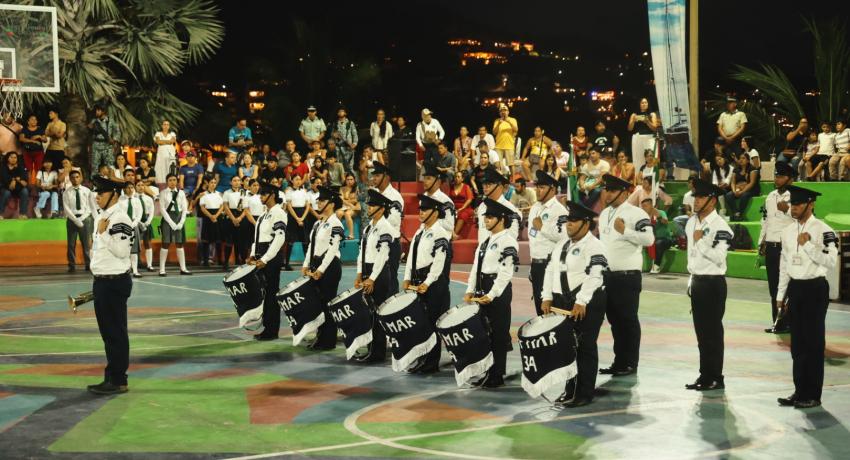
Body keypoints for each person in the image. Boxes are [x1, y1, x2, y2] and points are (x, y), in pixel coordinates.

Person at [775, 185, 838, 409]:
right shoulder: (787, 231)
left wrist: (809, 245)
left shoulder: (825, 230)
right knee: (797, 344)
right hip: (796, 288)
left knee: (813, 343)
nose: (794, 208)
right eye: (792, 204)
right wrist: (781, 294)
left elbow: (831, 262)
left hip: (814, 289)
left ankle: (813, 394)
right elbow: (784, 264)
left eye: (799, 204)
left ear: (811, 204)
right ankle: (799, 390)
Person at [541, 200, 608, 407]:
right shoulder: (561, 244)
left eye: (574, 220)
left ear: (586, 224)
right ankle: (570, 389)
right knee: (567, 349)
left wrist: (581, 301)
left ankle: (584, 393)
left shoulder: (595, 245)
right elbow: (550, 271)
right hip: (562, 302)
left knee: (585, 347)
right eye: (568, 220)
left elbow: (596, 275)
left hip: (587, 302)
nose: (568, 224)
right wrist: (547, 297)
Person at [597, 174, 654, 376]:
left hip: (627, 276)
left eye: (612, 190)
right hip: (607, 275)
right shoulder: (604, 214)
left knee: (627, 320)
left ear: (624, 192)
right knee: (614, 321)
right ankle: (619, 361)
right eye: (607, 190)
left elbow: (648, 239)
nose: (608, 193)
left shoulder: (636, 213)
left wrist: (625, 231)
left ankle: (630, 362)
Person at [85, 176, 135, 395]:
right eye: (96, 193)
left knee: (115, 333)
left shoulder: (119, 218)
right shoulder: (105, 216)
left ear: (114, 194)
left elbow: (122, 251)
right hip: (103, 281)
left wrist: (103, 234)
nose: (97, 197)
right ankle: (112, 376)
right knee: (109, 334)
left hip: (114, 283)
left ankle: (118, 379)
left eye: (101, 193)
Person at [684, 178, 733, 391]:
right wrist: (690, 281)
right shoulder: (691, 222)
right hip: (698, 281)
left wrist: (701, 241)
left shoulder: (720, 226)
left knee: (712, 333)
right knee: (701, 334)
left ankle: (716, 376)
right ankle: (705, 375)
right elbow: (691, 257)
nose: (696, 201)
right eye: (696, 196)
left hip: (713, 282)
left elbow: (719, 257)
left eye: (701, 197)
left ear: (712, 201)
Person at [464, 198, 519, 388]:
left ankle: (497, 374)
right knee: (484, 334)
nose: (486, 220)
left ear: (502, 219)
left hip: (498, 290)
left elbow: (505, 272)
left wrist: (492, 294)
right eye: (485, 217)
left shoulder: (508, 241)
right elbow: (475, 268)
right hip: (482, 287)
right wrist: (469, 290)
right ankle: (487, 372)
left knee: (498, 334)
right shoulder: (485, 242)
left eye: (490, 217)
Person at [403, 194, 452, 373]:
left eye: (425, 210)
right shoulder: (420, 231)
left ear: (435, 212)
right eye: (420, 209)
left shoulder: (440, 233)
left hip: (433, 285)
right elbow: (411, 257)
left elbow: (439, 263)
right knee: (421, 324)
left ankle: (431, 362)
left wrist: (428, 282)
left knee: (431, 325)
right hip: (418, 280)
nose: (421, 213)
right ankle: (422, 358)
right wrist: (407, 277)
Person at [354, 189, 397, 362]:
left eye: (372, 205)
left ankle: (377, 352)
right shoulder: (369, 227)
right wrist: (359, 273)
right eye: (369, 205)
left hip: (378, 273)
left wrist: (372, 278)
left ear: (381, 208)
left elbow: (383, 255)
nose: (369, 207)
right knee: (368, 314)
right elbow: (361, 252)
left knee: (376, 313)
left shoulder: (385, 228)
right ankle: (372, 349)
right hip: (367, 270)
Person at [301, 186, 345, 350]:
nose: (318, 202)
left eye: (322, 200)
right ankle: (320, 337)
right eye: (318, 200)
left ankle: (328, 340)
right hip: (317, 264)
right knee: (318, 304)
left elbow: (333, 250)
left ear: (331, 204)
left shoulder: (335, 223)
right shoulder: (319, 223)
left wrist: (321, 269)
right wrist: (306, 265)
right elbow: (312, 245)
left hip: (330, 267)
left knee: (327, 304)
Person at [759, 161, 796, 334]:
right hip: (772, 246)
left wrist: (788, 210)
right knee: (774, 286)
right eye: (776, 176)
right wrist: (762, 241)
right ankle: (777, 322)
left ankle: (788, 322)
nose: (777, 179)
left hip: (787, 248)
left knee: (788, 286)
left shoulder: (795, 197)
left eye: (780, 176)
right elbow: (765, 221)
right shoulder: (770, 196)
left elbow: (804, 219)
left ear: (789, 179)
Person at [248, 182, 288, 341]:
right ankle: (267, 327)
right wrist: (252, 254)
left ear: (272, 195)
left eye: (264, 194)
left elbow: (279, 239)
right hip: (261, 255)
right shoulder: (264, 214)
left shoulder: (278, 212)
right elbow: (257, 238)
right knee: (265, 294)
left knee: (271, 294)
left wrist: (264, 259)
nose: (260, 196)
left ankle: (272, 330)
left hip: (271, 257)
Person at [527, 171, 568, 316]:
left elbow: (564, 236)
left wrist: (542, 227)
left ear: (552, 189)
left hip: (550, 264)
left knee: (551, 306)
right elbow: (533, 239)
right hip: (536, 264)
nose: (538, 190)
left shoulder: (559, 210)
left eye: (542, 187)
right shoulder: (534, 208)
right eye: (537, 187)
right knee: (539, 306)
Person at [370, 162, 404, 292]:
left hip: (390, 243)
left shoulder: (395, 196)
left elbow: (394, 221)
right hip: (376, 241)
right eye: (374, 176)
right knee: (377, 280)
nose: (374, 178)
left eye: (377, 175)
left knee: (390, 281)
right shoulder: (374, 194)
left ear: (386, 177)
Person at [158, 173, 191, 276]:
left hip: (179, 217)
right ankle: (162, 269)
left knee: (179, 243)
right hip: (168, 219)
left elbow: (184, 208)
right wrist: (171, 223)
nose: (172, 182)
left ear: (177, 181)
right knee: (166, 243)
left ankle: (183, 268)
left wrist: (181, 222)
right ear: (167, 182)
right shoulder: (163, 193)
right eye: (170, 180)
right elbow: (162, 210)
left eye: (174, 180)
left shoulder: (181, 193)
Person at [476, 167, 521, 240]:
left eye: (489, 184)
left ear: (499, 186)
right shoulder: (482, 206)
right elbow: (481, 233)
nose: (485, 187)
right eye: (484, 184)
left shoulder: (509, 208)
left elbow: (512, 236)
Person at [64, 170, 93, 272]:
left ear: (80, 178)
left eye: (77, 177)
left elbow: (90, 207)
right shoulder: (66, 192)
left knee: (86, 243)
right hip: (72, 219)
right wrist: (75, 219)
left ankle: (88, 264)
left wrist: (81, 218)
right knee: (71, 244)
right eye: (73, 177)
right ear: (70, 179)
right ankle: (71, 265)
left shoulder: (87, 191)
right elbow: (66, 208)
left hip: (85, 219)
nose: (75, 179)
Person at [283, 174, 311, 271]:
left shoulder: (304, 191)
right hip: (292, 216)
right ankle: (286, 264)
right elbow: (289, 206)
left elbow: (308, 205)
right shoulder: (288, 191)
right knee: (290, 241)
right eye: (296, 179)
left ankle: (308, 264)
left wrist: (302, 218)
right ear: (292, 180)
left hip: (303, 214)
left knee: (305, 241)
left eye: (300, 179)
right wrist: (297, 218)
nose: (298, 181)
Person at [422, 163, 456, 240]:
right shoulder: (423, 197)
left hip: (440, 241)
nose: (424, 181)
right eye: (424, 178)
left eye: (428, 178)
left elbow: (449, 225)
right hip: (425, 238)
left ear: (438, 181)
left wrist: (432, 220)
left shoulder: (446, 201)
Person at [725, 151, 759, 222]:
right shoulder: (736, 169)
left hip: (751, 189)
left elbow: (752, 183)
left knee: (744, 195)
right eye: (740, 158)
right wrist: (734, 191)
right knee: (728, 195)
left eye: (743, 158)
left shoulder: (752, 169)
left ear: (747, 160)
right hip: (738, 189)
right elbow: (733, 182)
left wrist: (742, 192)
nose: (741, 160)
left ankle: (740, 213)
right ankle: (736, 213)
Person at [198, 177, 223, 268]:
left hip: (217, 216)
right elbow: (202, 208)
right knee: (206, 240)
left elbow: (222, 206)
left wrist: (216, 216)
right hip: (208, 217)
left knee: (218, 240)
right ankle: (205, 261)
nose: (213, 184)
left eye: (214, 182)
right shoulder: (203, 194)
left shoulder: (219, 194)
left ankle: (220, 260)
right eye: (211, 182)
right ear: (207, 183)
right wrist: (211, 216)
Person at [641, 198, 672, 274]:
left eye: (645, 206)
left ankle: (656, 266)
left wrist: (658, 217)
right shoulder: (643, 216)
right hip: (649, 238)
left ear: (651, 206)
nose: (643, 208)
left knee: (659, 243)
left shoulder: (661, 212)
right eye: (642, 206)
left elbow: (665, 222)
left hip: (665, 239)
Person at [627, 98, 658, 171]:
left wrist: (647, 122)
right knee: (638, 158)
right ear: (639, 104)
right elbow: (629, 129)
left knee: (652, 156)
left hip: (649, 137)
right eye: (642, 103)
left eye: (646, 102)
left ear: (648, 104)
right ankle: (639, 176)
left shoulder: (652, 114)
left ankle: (653, 175)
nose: (644, 104)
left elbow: (655, 128)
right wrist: (633, 121)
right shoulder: (634, 114)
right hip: (638, 138)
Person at [88, 105, 121, 174]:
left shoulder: (111, 121)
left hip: (107, 145)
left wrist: (114, 139)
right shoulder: (94, 121)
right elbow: (90, 131)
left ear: (103, 111)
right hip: (96, 145)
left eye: (98, 110)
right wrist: (90, 128)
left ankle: (111, 180)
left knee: (110, 164)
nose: (96, 112)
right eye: (96, 110)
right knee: (95, 165)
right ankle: (95, 181)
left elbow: (117, 131)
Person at [221, 175, 244, 269]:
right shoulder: (227, 193)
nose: (237, 182)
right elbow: (225, 206)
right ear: (231, 182)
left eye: (238, 180)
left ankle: (240, 261)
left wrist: (240, 218)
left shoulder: (244, 192)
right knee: (229, 241)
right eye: (234, 180)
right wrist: (233, 218)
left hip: (241, 215)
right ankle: (226, 262)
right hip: (230, 216)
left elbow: (246, 208)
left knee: (240, 241)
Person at [238, 179, 263, 262]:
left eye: (257, 185)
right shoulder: (246, 197)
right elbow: (246, 211)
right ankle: (246, 259)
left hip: (260, 219)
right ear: (249, 187)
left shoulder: (261, 196)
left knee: (258, 241)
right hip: (249, 221)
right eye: (254, 185)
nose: (256, 187)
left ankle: (257, 259)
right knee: (248, 242)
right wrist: (255, 223)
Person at [134, 180, 155, 274]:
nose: (141, 187)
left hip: (146, 220)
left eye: (142, 185)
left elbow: (151, 212)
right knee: (134, 244)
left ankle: (149, 265)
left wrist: (147, 223)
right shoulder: (133, 198)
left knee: (148, 243)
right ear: (135, 187)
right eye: (138, 185)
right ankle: (133, 266)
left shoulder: (149, 199)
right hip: (135, 222)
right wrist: (138, 222)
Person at [0, 151, 29, 219]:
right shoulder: (3, 167)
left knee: (25, 191)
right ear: (8, 158)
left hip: (18, 188)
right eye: (11, 157)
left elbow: (25, 179)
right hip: (6, 187)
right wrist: (14, 180)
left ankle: (22, 214)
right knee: (6, 193)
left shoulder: (20, 167)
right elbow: (4, 179)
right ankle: (0, 214)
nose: (13, 159)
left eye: (15, 157)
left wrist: (15, 180)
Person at [329, 108, 358, 173]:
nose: (341, 112)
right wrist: (333, 135)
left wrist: (354, 144)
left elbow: (355, 134)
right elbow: (331, 134)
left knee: (350, 166)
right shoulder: (335, 123)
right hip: (338, 148)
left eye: (342, 111)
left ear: (345, 113)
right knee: (339, 166)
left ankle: (351, 181)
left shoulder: (350, 123)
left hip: (348, 147)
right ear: (337, 113)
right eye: (339, 111)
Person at [19, 114, 46, 179]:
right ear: (28, 121)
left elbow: (45, 140)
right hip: (27, 152)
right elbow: (21, 139)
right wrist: (33, 141)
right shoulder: (24, 129)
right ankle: (30, 184)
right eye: (32, 119)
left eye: (35, 119)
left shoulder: (40, 129)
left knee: (38, 168)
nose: (34, 121)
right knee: (28, 169)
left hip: (38, 152)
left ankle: (37, 183)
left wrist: (39, 136)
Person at [449, 170, 474, 238]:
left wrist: (462, 208)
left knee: (463, 214)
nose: (456, 178)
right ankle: (452, 234)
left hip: (466, 208)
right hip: (454, 207)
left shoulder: (466, 187)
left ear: (462, 179)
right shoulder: (451, 187)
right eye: (455, 177)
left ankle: (454, 234)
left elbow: (469, 199)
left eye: (458, 177)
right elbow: (449, 199)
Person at [153, 120, 178, 186]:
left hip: (170, 154)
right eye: (164, 124)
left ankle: (171, 182)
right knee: (161, 168)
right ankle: (161, 183)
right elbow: (158, 142)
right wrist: (167, 141)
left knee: (170, 167)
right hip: (161, 154)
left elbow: (172, 141)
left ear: (169, 126)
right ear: (162, 126)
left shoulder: (172, 133)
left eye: (167, 124)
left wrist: (163, 142)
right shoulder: (158, 133)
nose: (166, 126)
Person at [339, 173, 360, 239]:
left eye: (351, 179)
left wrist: (348, 201)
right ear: (345, 180)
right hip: (345, 207)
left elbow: (357, 200)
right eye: (348, 179)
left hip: (354, 208)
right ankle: (338, 233)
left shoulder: (357, 188)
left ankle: (351, 234)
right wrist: (350, 203)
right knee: (338, 213)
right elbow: (341, 200)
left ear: (354, 180)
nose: (349, 181)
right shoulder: (342, 188)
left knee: (347, 214)